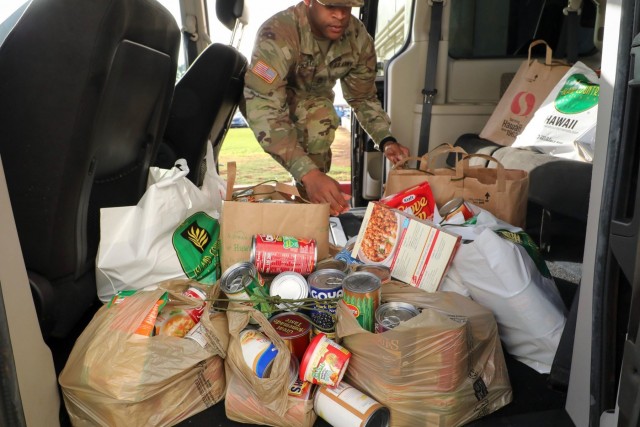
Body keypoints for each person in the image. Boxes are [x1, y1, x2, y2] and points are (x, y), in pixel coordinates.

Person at [241, 0, 410, 216]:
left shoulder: (357, 38)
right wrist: (308, 174)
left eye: (347, 7)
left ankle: (313, 208)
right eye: (330, 6)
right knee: (319, 115)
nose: (340, 15)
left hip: (315, 107)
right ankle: (311, 203)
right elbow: (264, 106)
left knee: (320, 114)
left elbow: (363, 97)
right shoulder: (279, 33)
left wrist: (386, 140)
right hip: (269, 102)